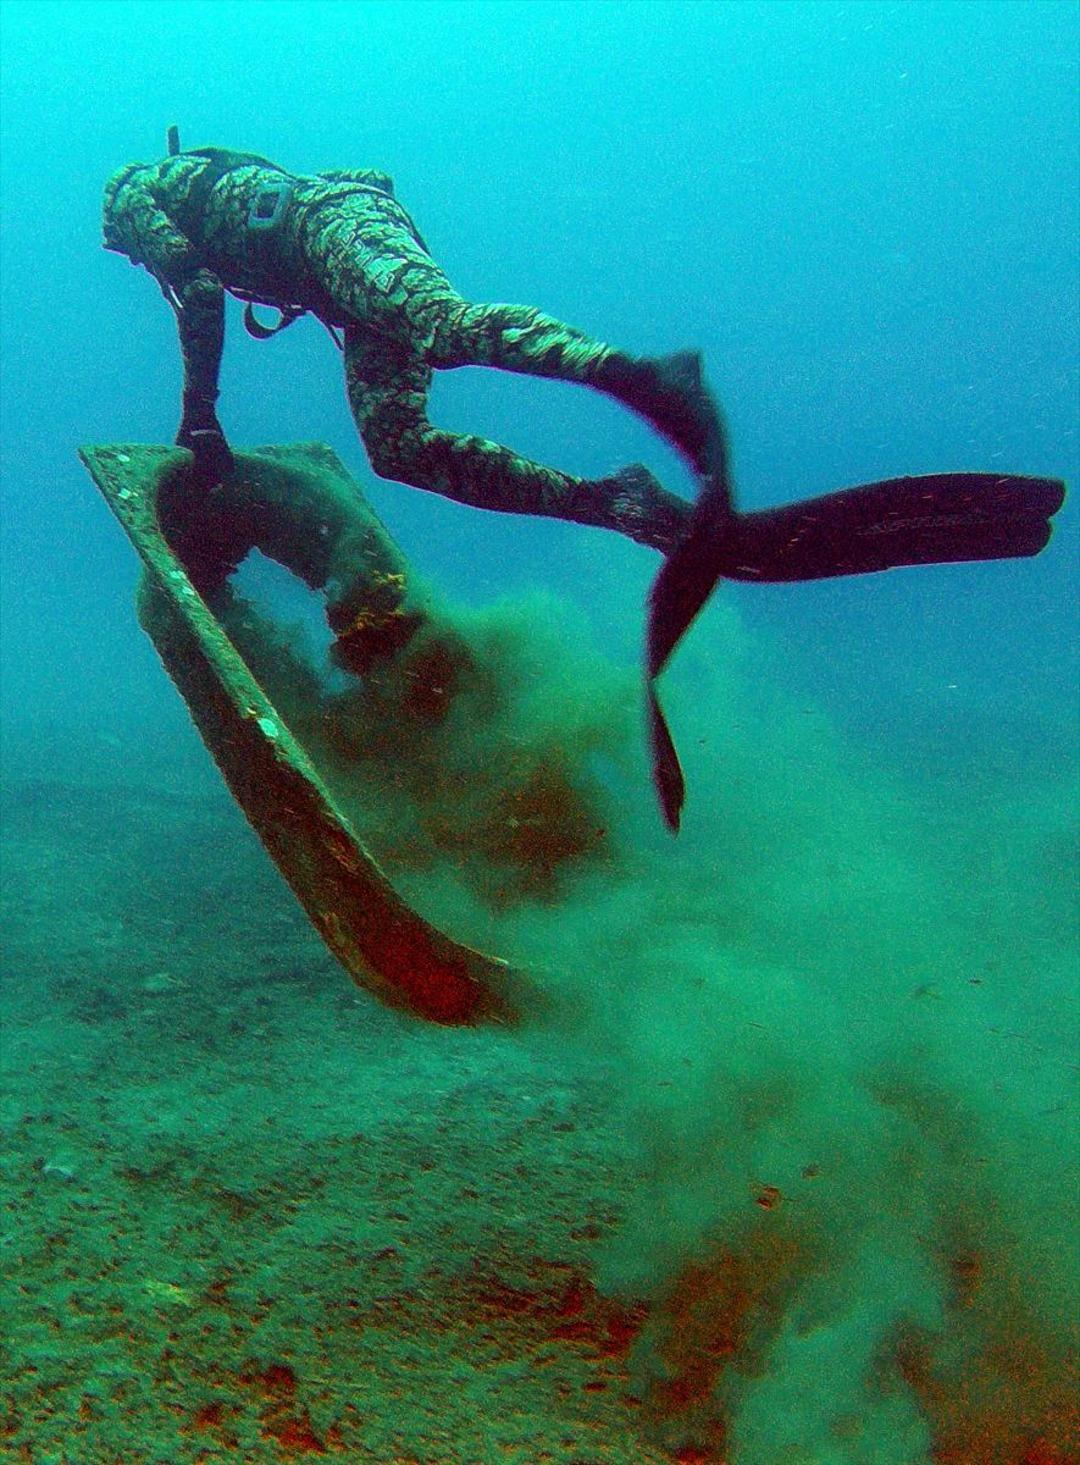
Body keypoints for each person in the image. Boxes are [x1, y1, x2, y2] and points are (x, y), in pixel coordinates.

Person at [103, 132, 1065, 831]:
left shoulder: (141, 194)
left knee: (443, 323)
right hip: (334, 274)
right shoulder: (201, 180)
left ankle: (632, 373)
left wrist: (199, 413)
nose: (123, 251)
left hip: (338, 229)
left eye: (119, 242)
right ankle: (611, 500)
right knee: (400, 446)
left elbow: (193, 288)